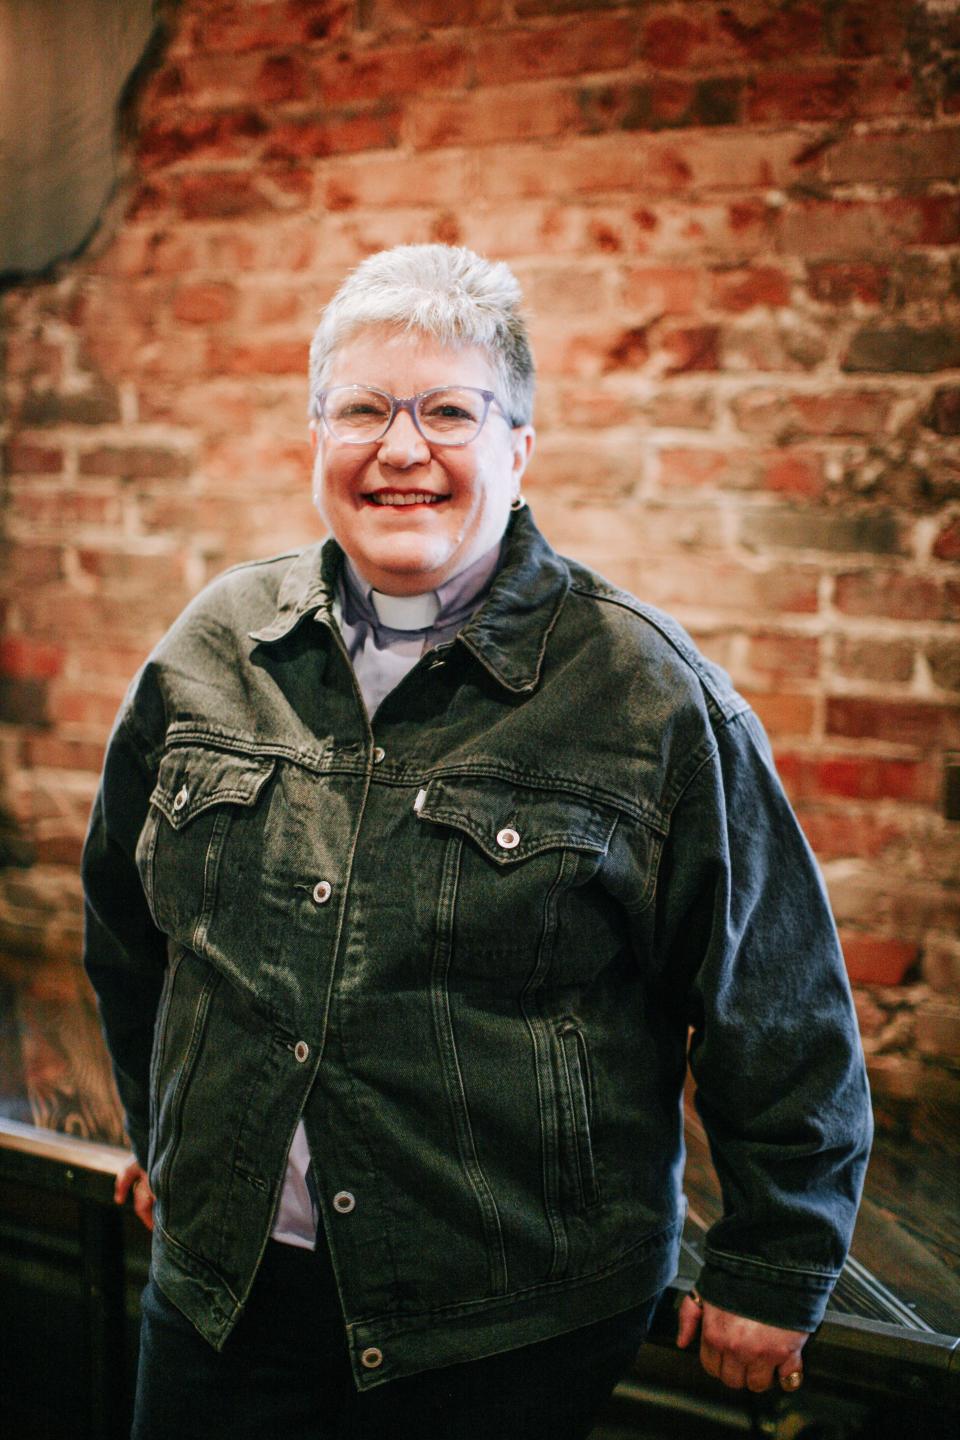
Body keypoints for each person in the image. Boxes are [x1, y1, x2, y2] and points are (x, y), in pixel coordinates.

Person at [82, 243, 872, 1440]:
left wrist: (777, 1264)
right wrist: (169, 1137)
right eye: (362, 409)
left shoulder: (646, 696)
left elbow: (780, 1001)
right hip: (221, 1302)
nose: (402, 450)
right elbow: (130, 930)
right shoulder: (213, 648)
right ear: (317, 439)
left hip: (503, 1335)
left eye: (450, 410)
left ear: (520, 449)